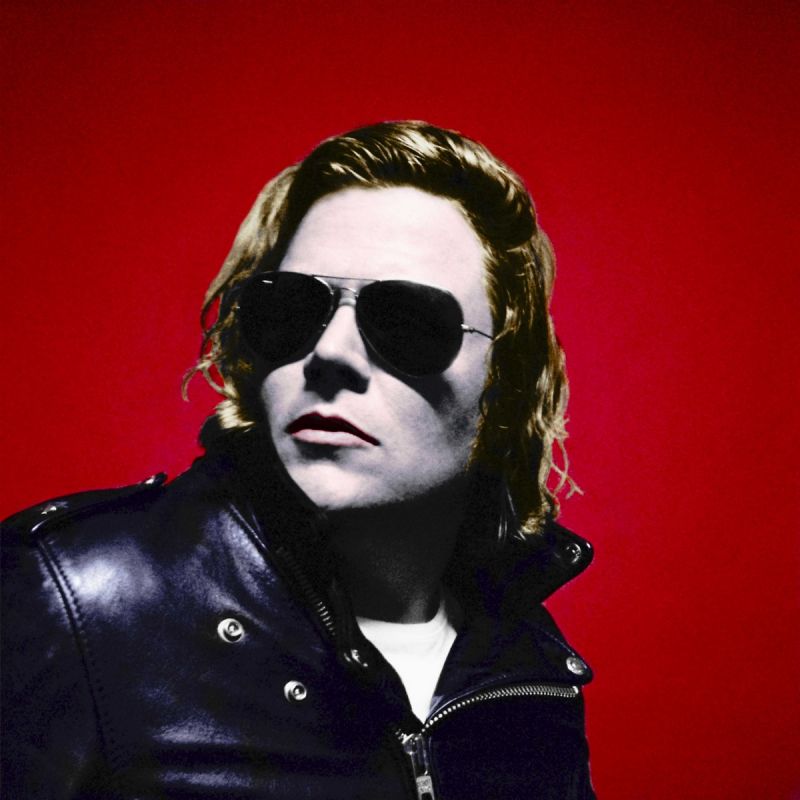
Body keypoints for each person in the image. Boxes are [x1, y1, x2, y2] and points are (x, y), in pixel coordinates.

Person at [1, 121, 595, 799]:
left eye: (406, 320)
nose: (329, 355)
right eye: (293, 309)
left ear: (505, 381)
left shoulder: (529, 669)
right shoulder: (72, 598)